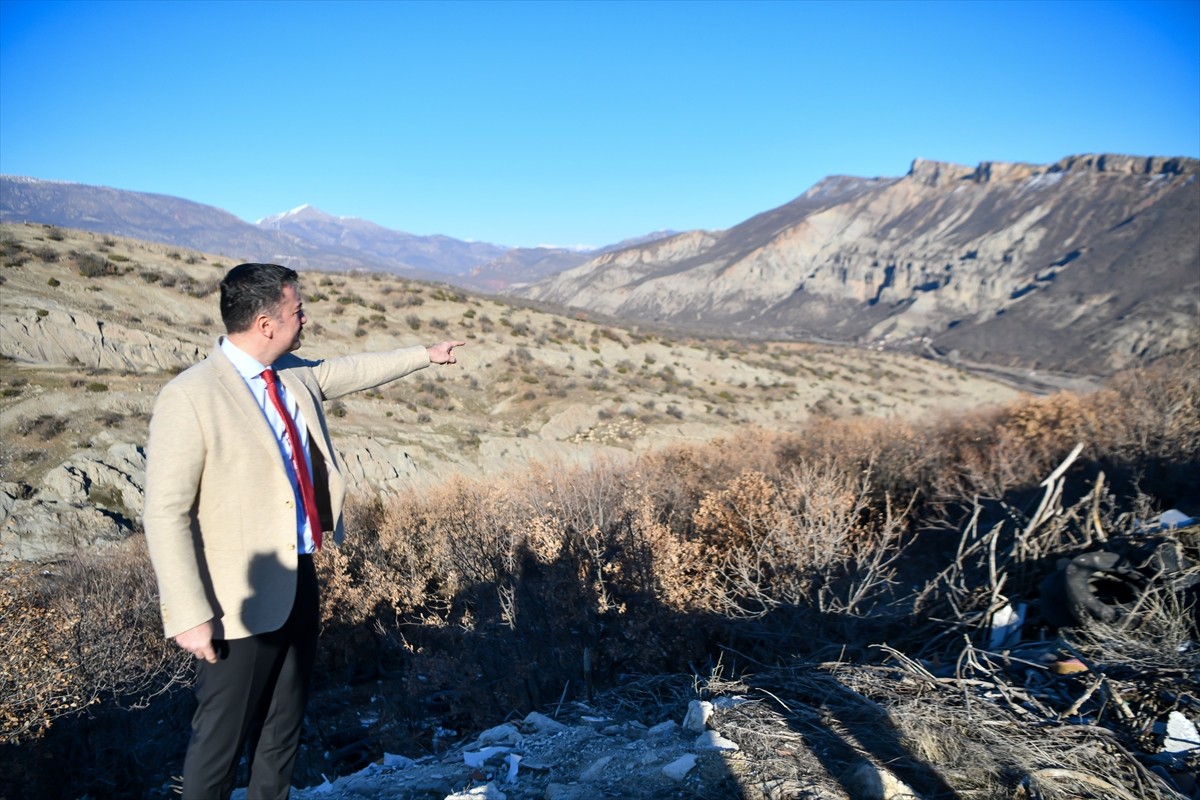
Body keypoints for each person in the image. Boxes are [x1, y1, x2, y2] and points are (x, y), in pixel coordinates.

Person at [142, 262, 464, 799]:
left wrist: (424, 356)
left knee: (281, 732)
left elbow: (352, 369)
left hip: (298, 577)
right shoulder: (191, 396)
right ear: (266, 322)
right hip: (234, 603)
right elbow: (165, 513)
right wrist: (189, 613)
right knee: (219, 748)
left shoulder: (291, 373)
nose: (305, 317)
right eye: (297, 310)